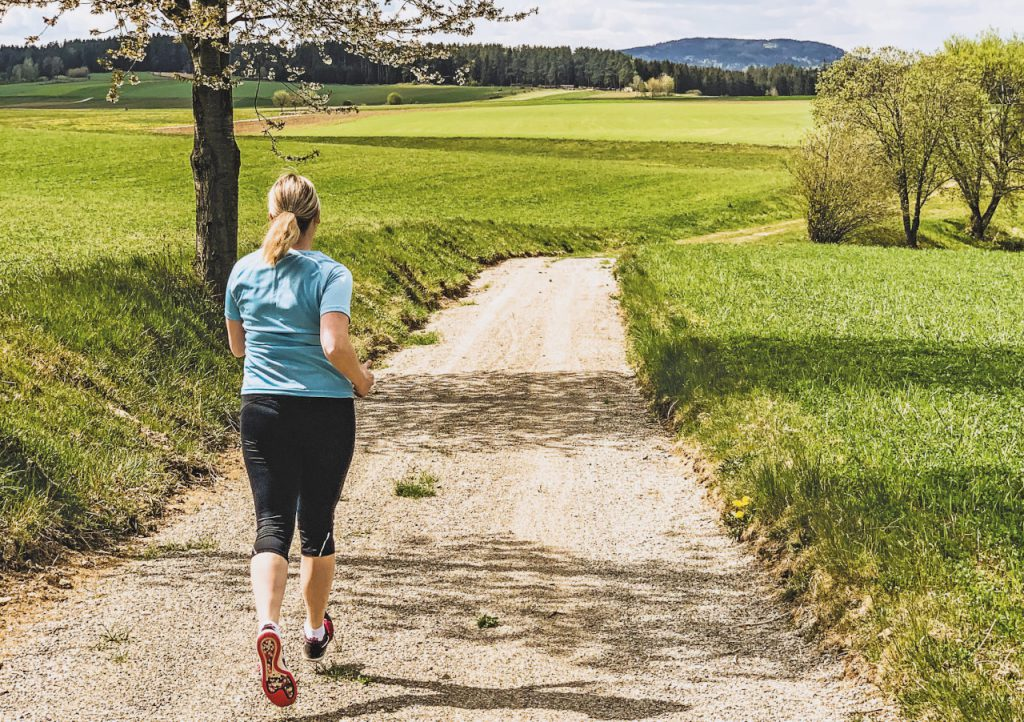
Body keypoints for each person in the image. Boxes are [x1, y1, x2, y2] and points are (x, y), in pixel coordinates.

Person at [224, 172, 374, 707]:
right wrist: (363, 380)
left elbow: (238, 349)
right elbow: (335, 345)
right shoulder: (331, 273)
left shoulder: (243, 270)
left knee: (270, 523)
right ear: (316, 219)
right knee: (317, 526)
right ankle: (314, 631)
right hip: (325, 413)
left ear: (271, 215)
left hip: (261, 408)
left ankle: (269, 624)